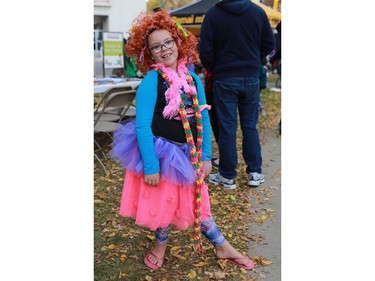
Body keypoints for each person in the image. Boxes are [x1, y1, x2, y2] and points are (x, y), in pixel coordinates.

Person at [110, 9, 254, 271]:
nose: (164, 49)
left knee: (197, 199)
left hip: (188, 152)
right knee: (166, 202)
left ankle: (222, 246)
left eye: (168, 42)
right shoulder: (152, 81)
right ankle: (161, 245)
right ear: (149, 54)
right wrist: (151, 165)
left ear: (178, 42)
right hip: (162, 151)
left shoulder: (192, 79)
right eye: (156, 47)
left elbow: (204, 119)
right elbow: (142, 126)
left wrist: (207, 155)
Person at [199, 0, 275, 189]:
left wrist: (216, 68)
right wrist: (254, 61)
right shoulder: (257, 12)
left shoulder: (213, 14)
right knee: (250, 126)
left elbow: (205, 49)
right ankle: (255, 172)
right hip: (250, 76)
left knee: (227, 127)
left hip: (224, 77)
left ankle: (227, 175)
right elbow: (269, 43)